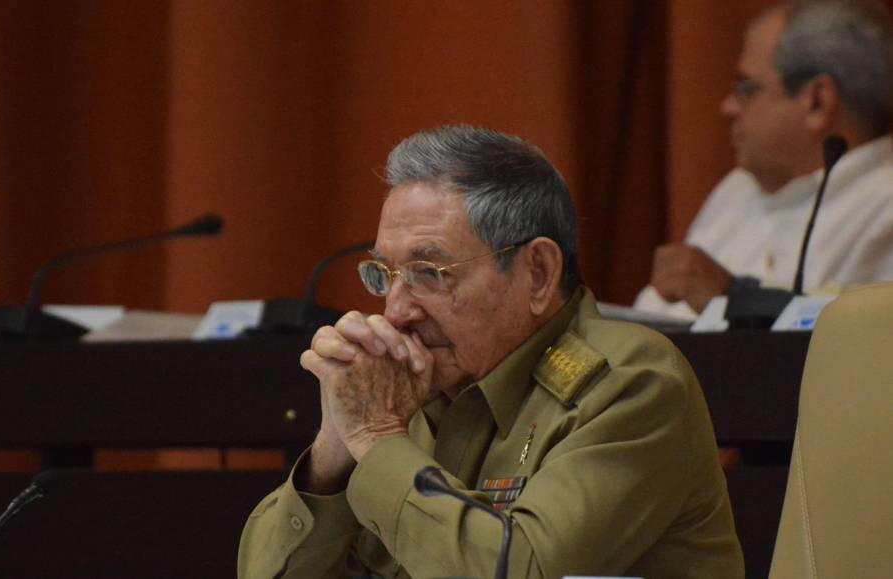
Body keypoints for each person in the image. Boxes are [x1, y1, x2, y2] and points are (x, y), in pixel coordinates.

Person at [237, 125, 743, 578]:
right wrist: (335, 447)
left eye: (428, 273)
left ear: (538, 273)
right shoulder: (405, 386)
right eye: (384, 275)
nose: (395, 312)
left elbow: (520, 571)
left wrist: (375, 437)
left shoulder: (632, 384)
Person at [635, 0, 893, 320]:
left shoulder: (884, 211)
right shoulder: (738, 189)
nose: (728, 107)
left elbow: (864, 344)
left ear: (817, 101)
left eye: (747, 88)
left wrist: (732, 300)